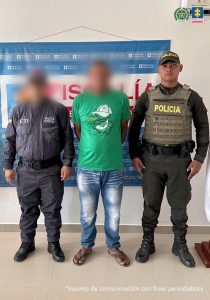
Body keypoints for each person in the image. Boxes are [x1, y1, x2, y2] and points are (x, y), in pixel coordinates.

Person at [128, 51, 209, 268]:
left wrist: (200, 158)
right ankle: (148, 242)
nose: (169, 69)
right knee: (150, 204)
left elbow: (203, 127)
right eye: (165, 65)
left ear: (180, 68)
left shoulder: (191, 97)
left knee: (179, 206)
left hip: (179, 161)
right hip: (151, 160)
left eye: (173, 65)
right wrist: (134, 155)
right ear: (159, 69)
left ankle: (179, 243)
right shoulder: (147, 96)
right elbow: (134, 127)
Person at [4, 70, 75, 262]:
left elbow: (68, 139)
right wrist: (8, 166)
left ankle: (54, 244)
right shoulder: (18, 110)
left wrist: (68, 163)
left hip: (51, 170)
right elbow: (10, 140)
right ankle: (27, 243)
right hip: (25, 170)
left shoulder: (58, 109)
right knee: (28, 209)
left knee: (52, 210)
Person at [72, 61, 130, 267]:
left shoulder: (120, 99)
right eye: (95, 75)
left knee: (113, 212)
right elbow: (78, 130)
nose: (99, 78)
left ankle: (113, 246)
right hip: (87, 167)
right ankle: (86, 245)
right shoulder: (79, 100)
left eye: (103, 75)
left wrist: (110, 146)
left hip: (114, 167)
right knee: (87, 212)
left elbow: (124, 129)